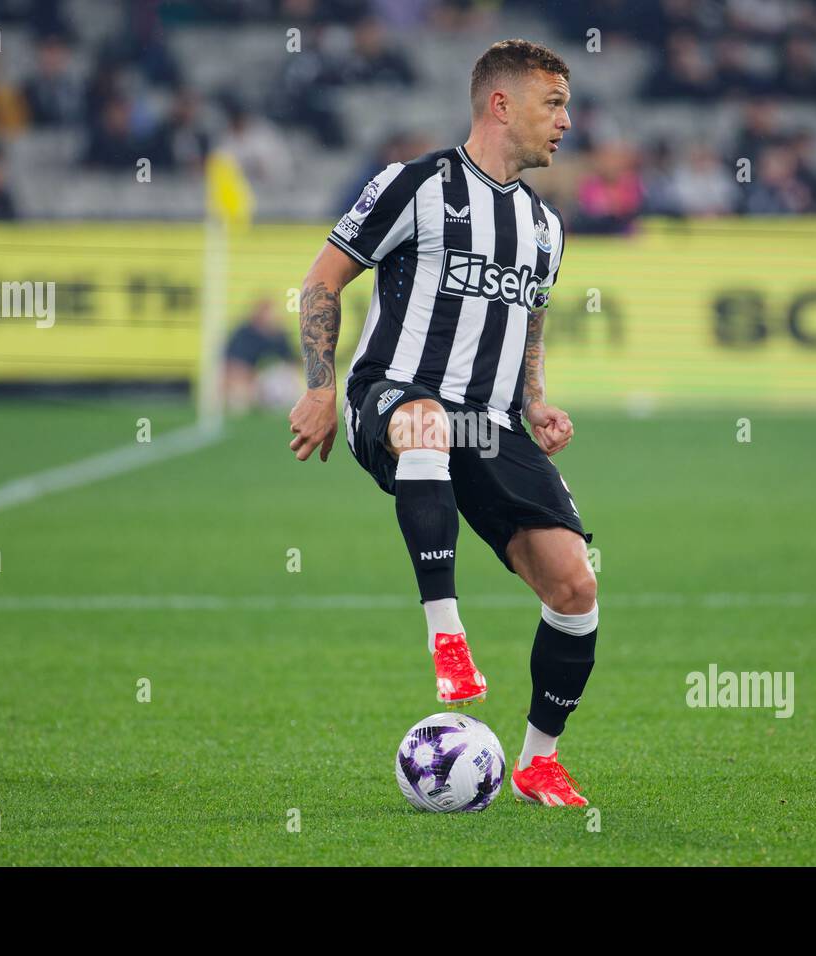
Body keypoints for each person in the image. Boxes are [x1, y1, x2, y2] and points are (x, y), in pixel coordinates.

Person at [287, 39, 597, 809]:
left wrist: (535, 401)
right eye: (553, 103)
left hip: (490, 423)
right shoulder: (413, 185)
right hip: (391, 393)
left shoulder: (546, 228)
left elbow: (527, 321)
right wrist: (321, 388)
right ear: (501, 104)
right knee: (424, 422)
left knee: (575, 585)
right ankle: (446, 636)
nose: (566, 120)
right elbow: (324, 278)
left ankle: (537, 761)